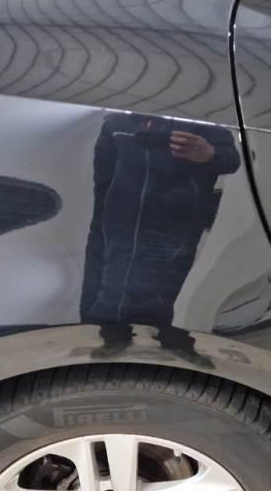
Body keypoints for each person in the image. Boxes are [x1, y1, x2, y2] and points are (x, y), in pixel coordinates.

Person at [80, 113, 240, 358]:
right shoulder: (116, 123)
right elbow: (103, 176)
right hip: (120, 223)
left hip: (175, 227)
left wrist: (210, 154)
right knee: (111, 287)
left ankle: (161, 354)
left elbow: (231, 161)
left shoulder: (202, 122)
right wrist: (102, 222)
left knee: (161, 293)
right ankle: (113, 343)